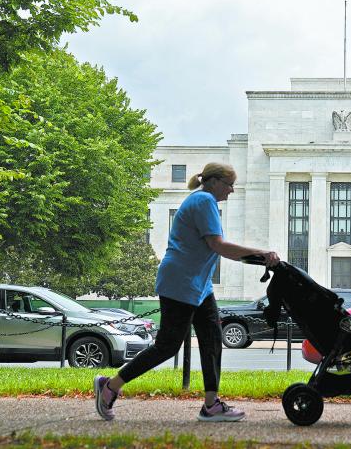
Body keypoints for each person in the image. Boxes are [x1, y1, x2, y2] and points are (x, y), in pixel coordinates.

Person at [93, 162, 280, 422]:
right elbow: (218, 245)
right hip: (180, 283)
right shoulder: (204, 201)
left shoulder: (203, 201)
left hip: (198, 286)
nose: (232, 191)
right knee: (167, 346)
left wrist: (257, 257)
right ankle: (110, 386)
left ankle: (211, 405)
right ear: (214, 182)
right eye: (229, 184)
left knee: (213, 339)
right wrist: (260, 253)